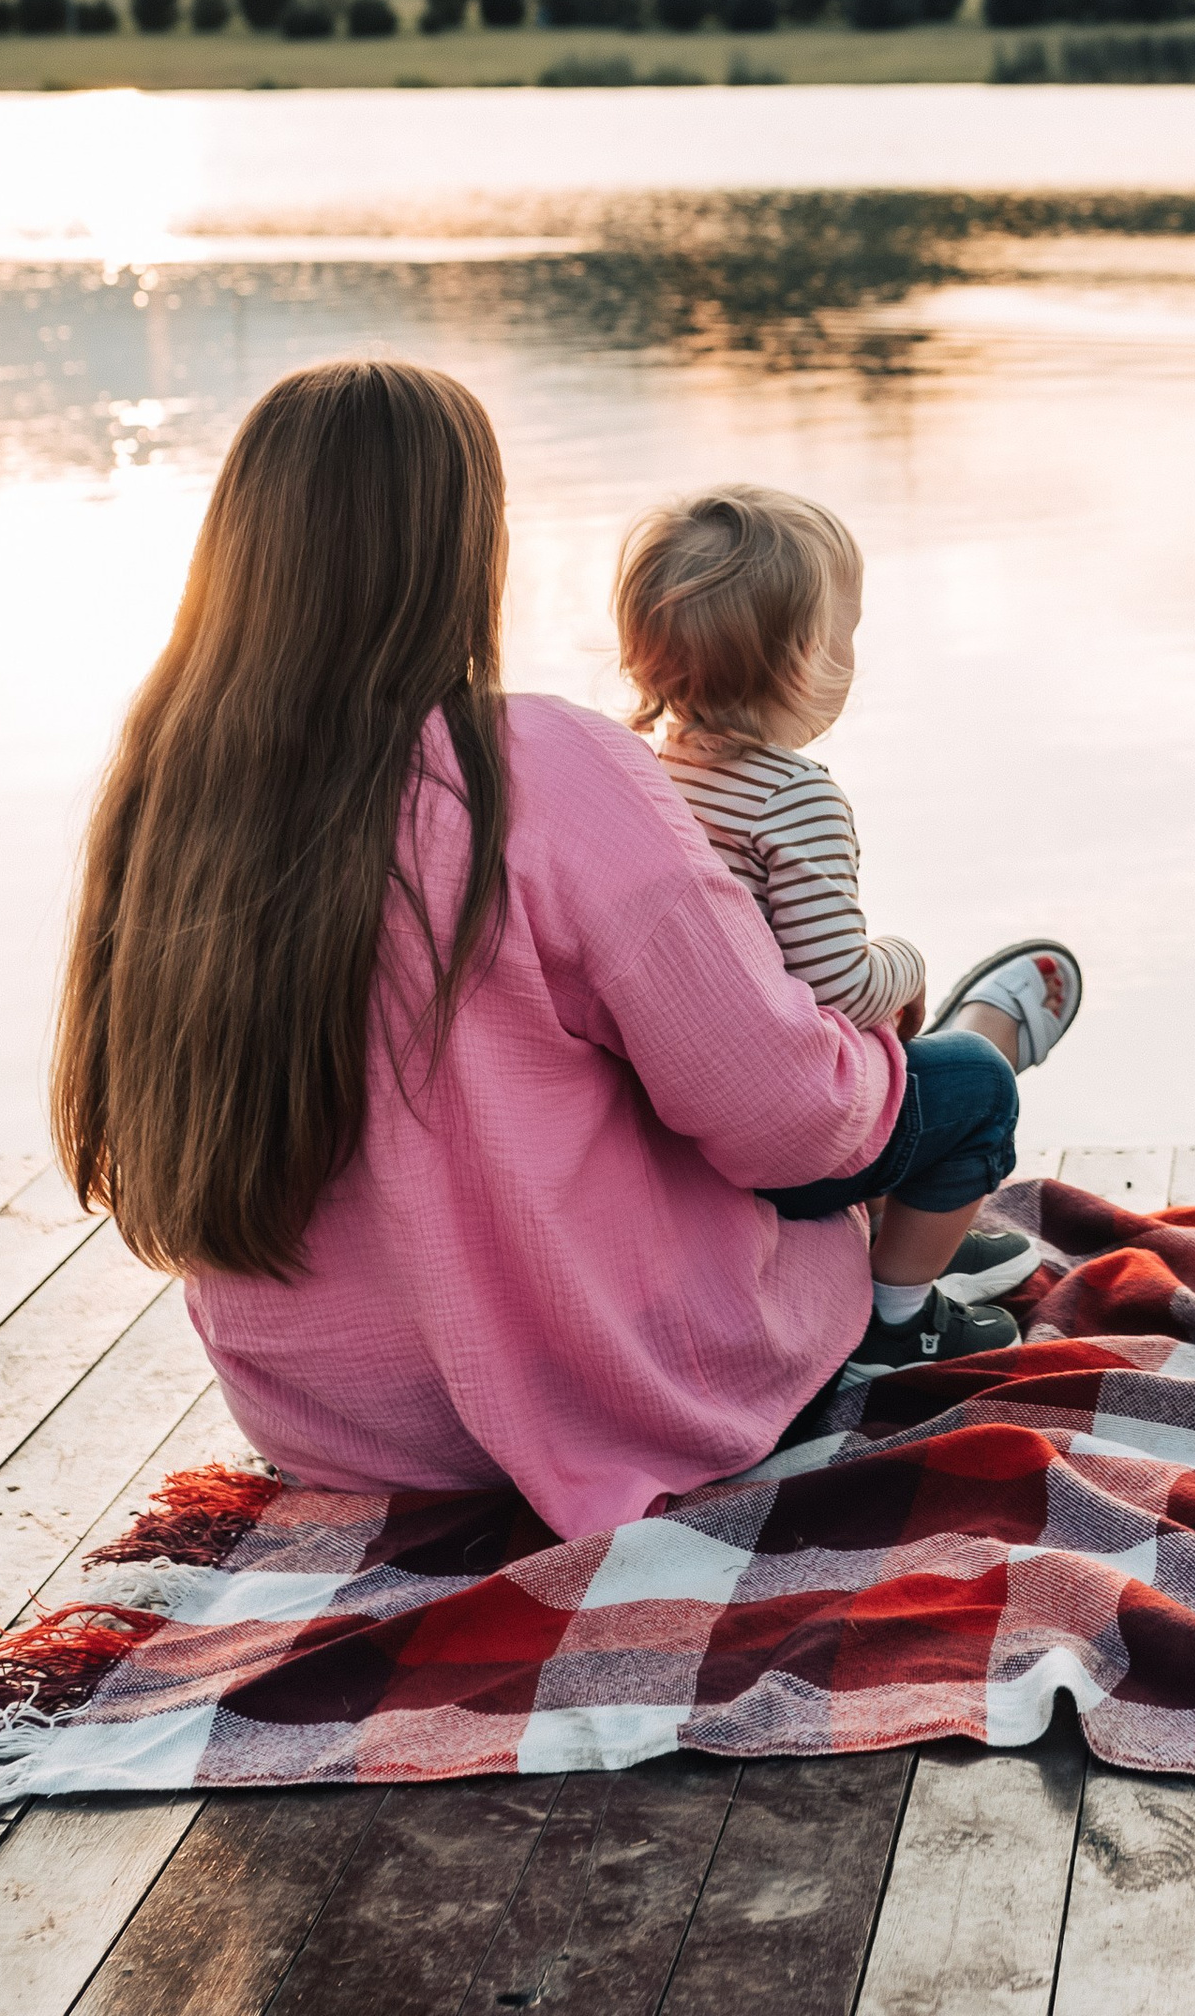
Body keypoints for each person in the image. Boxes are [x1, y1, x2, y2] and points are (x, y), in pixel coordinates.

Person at [52, 360, 920, 1540]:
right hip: (595, 1387)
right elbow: (788, 1120)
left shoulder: (173, 785)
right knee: (926, 1090)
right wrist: (876, 1049)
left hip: (323, 1424)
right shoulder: (542, 768)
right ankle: (970, 1065)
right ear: (468, 545)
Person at [613, 482, 1083, 1370]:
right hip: (784, 1140)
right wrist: (907, 964)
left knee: (902, 1066)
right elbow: (840, 986)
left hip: (684, 1118)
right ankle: (900, 1312)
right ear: (807, 662)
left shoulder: (649, 775)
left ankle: (906, 1234)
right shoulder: (795, 797)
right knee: (977, 1086)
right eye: (849, 634)